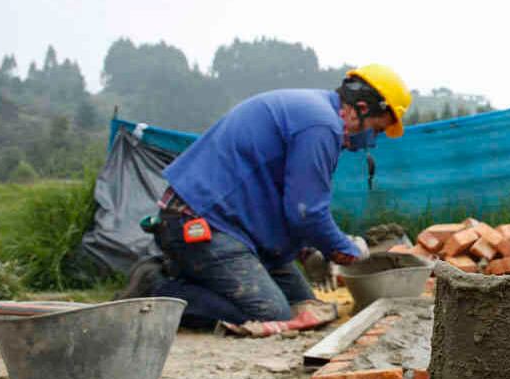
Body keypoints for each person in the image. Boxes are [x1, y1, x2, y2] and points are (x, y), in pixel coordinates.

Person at [122, 65, 412, 328]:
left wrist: (308, 249)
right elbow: (306, 211)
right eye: (376, 129)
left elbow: (282, 197)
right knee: (271, 313)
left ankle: (190, 275)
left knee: (305, 304)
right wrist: (347, 250)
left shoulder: (314, 114)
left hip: (235, 227)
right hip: (197, 219)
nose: (372, 140)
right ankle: (156, 288)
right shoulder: (320, 125)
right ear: (359, 108)